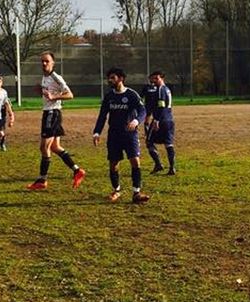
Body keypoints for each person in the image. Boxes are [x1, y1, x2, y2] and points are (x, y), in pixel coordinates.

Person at [27, 51, 86, 190]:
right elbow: (49, 93)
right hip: (50, 113)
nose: (44, 63)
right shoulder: (45, 76)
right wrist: (41, 91)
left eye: (47, 61)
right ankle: (77, 171)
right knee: (54, 147)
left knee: (44, 147)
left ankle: (42, 180)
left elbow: (70, 95)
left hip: (52, 114)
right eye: (42, 61)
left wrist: (54, 97)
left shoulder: (56, 77)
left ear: (53, 63)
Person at [93, 67, 150, 203]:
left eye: (112, 78)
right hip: (114, 135)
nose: (109, 80)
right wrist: (96, 132)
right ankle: (116, 190)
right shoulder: (109, 97)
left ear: (121, 78)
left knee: (135, 161)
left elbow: (142, 110)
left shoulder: (131, 94)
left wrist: (136, 121)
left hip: (130, 134)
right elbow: (102, 116)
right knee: (114, 164)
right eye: (109, 78)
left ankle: (136, 193)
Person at [143, 70, 176, 175]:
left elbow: (161, 106)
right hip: (169, 120)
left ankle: (158, 164)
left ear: (162, 78)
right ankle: (172, 168)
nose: (154, 80)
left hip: (161, 120)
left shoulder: (160, 89)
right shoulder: (167, 89)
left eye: (156, 78)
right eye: (153, 78)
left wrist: (156, 120)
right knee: (168, 143)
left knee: (149, 141)